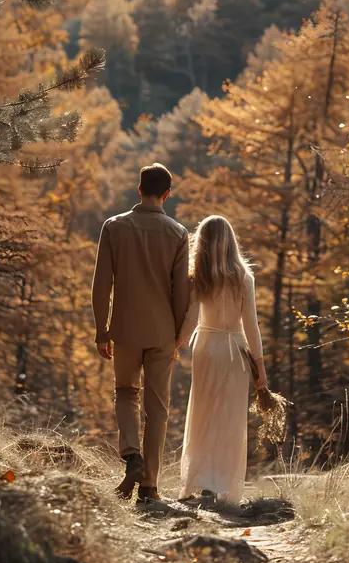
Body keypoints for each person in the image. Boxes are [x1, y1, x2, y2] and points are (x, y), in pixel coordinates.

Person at [91, 163, 190, 503]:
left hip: (125, 329)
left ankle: (131, 456)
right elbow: (182, 293)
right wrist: (178, 337)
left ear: (139, 189)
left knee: (125, 393)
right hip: (163, 332)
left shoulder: (114, 226)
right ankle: (149, 487)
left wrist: (101, 330)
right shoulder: (178, 233)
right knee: (157, 408)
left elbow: (102, 283)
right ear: (167, 194)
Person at [177, 215, 267, 505]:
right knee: (229, 419)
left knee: (203, 414)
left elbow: (191, 318)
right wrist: (260, 369)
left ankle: (201, 480)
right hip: (235, 350)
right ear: (231, 242)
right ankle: (221, 485)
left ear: (201, 242)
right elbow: (251, 326)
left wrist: (176, 344)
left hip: (205, 347)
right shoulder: (243, 276)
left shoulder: (198, 276)